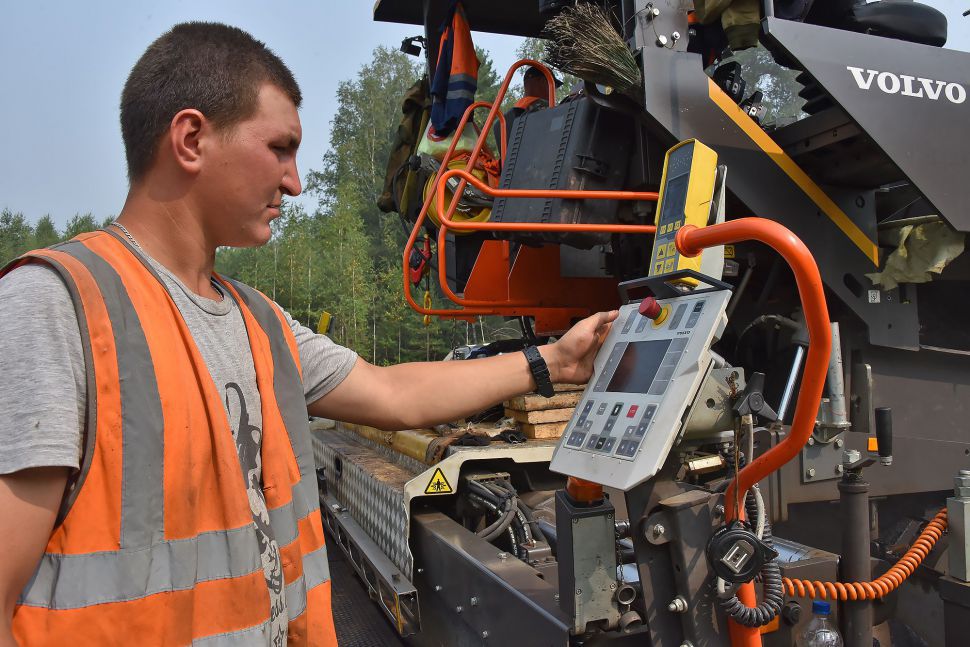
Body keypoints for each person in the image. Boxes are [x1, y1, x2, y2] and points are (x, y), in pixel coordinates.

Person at [0, 22, 616, 647]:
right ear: (191, 139)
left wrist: (552, 361)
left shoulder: (258, 322)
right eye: (280, 148)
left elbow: (392, 393)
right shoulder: (57, 306)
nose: (295, 182)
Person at [493, 65, 563, 156]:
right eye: (554, 86)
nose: (555, 91)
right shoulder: (544, 110)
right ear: (543, 82)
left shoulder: (502, 122)